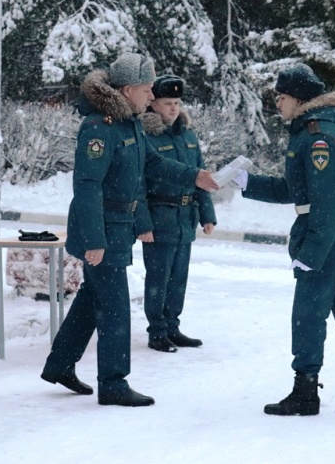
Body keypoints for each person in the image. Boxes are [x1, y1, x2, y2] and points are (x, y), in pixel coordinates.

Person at [40, 53, 219, 407]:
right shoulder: (98, 127)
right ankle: (113, 383)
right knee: (116, 308)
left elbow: (150, 163)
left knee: (93, 301)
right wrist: (94, 240)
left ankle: (60, 364)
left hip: (117, 228)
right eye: (146, 89)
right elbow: (88, 185)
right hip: (102, 230)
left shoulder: (129, 123)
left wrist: (193, 176)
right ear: (126, 90)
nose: (151, 96)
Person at [232, 63, 335, 416]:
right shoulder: (315, 130)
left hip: (328, 235)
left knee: (308, 314)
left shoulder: (319, 136)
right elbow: (297, 190)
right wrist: (247, 182)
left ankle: (305, 391)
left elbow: (324, 202)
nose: (277, 103)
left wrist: (311, 252)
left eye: (281, 96)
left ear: (299, 98)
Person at [136, 75, 217, 353]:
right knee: (158, 278)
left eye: (177, 102)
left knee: (179, 277)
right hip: (159, 216)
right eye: (168, 103)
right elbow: (139, 185)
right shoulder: (146, 135)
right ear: (154, 104)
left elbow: (201, 177)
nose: (174, 108)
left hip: (185, 217)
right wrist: (142, 224)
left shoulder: (187, 135)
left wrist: (207, 215)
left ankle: (172, 327)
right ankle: (157, 331)